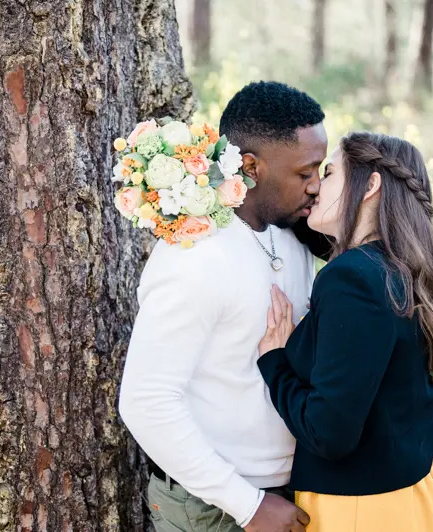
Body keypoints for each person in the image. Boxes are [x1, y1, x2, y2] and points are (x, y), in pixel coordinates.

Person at [119, 81, 328, 532]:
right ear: (251, 167)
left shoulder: (290, 232)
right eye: (304, 173)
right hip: (214, 507)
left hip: (289, 491)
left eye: (321, 170)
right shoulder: (194, 256)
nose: (316, 187)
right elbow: (145, 400)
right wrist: (248, 504)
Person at [257, 132, 433, 532]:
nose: (316, 185)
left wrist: (275, 363)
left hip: (360, 511)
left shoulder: (351, 279)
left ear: (370, 185)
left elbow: (330, 433)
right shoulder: (403, 268)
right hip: (413, 496)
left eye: (331, 172)